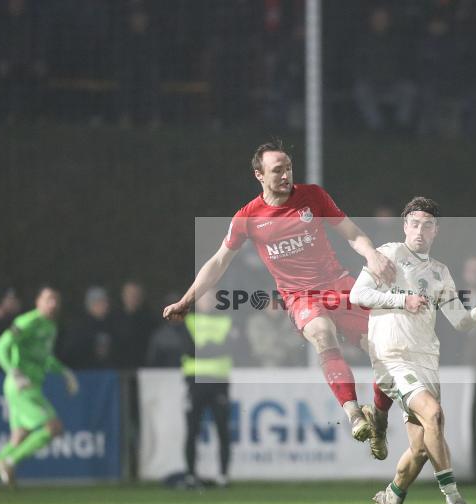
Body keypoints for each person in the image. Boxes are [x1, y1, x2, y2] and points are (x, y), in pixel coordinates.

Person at [163, 140, 397, 459]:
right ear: (259, 175)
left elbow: (352, 233)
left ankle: (379, 421)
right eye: (277, 170)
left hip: (339, 285)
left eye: (288, 168)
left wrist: (372, 255)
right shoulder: (248, 217)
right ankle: (354, 413)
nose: (286, 175)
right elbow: (218, 261)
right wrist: (187, 300)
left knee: (384, 351)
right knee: (322, 334)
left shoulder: (313, 196)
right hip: (300, 296)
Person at [350, 197, 476, 504]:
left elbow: (461, 322)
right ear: (405, 226)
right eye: (414, 223)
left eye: (427, 225)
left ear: (436, 230)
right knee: (433, 414)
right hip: (391, 357)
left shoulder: (439, 272)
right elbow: (357, 295)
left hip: (425, 362)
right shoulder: (389, 254)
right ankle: (453, 499)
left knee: (421, 449)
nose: (420, 230)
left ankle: (390, 499)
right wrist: (401, 300)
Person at [0, 287, 79, 499]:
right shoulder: (27, 321)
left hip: (31, 385)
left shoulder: (50, 326)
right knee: (53, 428)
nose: (52, 304)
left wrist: (65, 372)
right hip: (22, 386)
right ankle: (9, 462)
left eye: (56, 300)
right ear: (38, 302)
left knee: (18, 439)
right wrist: (13, 372)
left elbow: (44, 358)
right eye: (48, 299)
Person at [181, 291, 236, 488]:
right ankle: (190, 474)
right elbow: (188, 349)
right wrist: (214, 347)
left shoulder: (225, 321)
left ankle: (223, 475)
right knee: (192, 430)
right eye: (204, 298)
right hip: (195, 384)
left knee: (222, 430)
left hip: (218, 383)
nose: (208, 301)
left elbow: (230, 348)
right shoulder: (189, 321)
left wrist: (203, 348)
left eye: (211, 298)